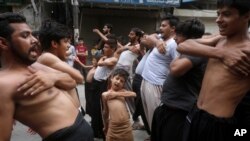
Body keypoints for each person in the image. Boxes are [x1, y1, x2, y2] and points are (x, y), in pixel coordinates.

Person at [0, 12, 93, 141]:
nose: (34, 40)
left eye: (32, 34)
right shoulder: (4, 84)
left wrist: (54, 78)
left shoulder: (34, 66)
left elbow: (71, 82)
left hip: (81, 127)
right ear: (3, 43)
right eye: (25, 35)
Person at [176, 1, 250, 141]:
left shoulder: (247, 51)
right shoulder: (220, 40)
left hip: (218, 124)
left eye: (226, 14)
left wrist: (242, 132)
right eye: (218, 14)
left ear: (246, 16)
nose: (218, 20)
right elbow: (184, 45)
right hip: (196, 113)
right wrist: (222, 54)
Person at [151, 18, 207, 141]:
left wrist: (182, 49)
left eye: (179, 35)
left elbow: (175, 69)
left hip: (180, 112)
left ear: (191, 39)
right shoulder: (189, 51)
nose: (175, 38)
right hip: (169, 108)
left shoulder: (196, 52)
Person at [140, 14, 179, 130]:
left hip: (156, 85)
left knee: (156, 119)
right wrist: (157, 42)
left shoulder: (173, 44)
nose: (160, 28)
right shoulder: (161, 38)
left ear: (173, 28)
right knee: (149, 117)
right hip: (146, 81)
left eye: (163, 26)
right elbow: (147, 37)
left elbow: (177, 65)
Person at [91, 37, 118, 138]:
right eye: (104, 46)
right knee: (94, 107)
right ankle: (95, 129)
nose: (103, 49)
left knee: (101, 108)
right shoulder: (105, 57)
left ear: (113, 49)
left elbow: (100, 63)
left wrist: (102, 59)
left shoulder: (114, 59)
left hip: (102, 85)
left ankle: (101, 131)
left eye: (106, 47)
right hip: (96, 84)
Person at [102, 68, 136, 141]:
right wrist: (105, 126)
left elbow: (134, 94)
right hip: (113, 128)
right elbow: (105, 112)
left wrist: (116, 94)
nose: (118, 82)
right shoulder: (105, 95)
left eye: (122, 81)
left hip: (126, 127)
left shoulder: (123, 91)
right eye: (117, 78)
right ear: (111, 78)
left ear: (123, 84)